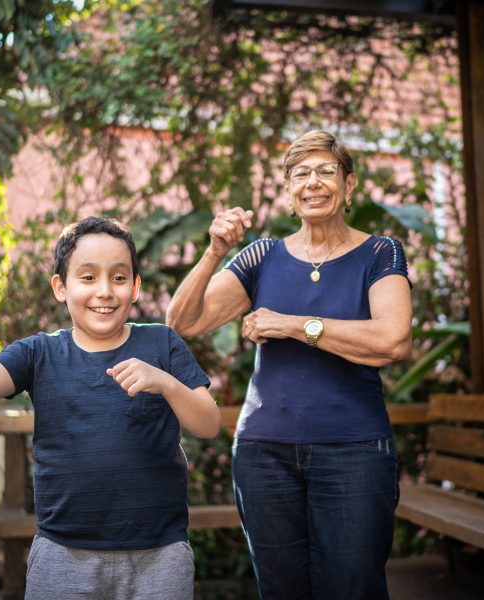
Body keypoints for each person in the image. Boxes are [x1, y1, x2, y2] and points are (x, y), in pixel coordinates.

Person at [166, 130, 412, 599]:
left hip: (354, 453)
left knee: (353, 588)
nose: (313, 182)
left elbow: (392, 339)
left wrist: (295, 325)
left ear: (350, 184)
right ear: (288, 191)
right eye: (301, 173)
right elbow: (183, 320)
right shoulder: (262, 256)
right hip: (264, 455)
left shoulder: (380, 253)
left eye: (326, 171)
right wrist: (215, 251)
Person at [0, 216, 221, 600]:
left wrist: (167, 384)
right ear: (61, 286)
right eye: (88, 278)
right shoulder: (39, 353)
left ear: (136, 286)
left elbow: (208, 424)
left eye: (119, 278)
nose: (104, 291)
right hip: (62, 554)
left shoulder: (163, 344)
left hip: (159, 555)